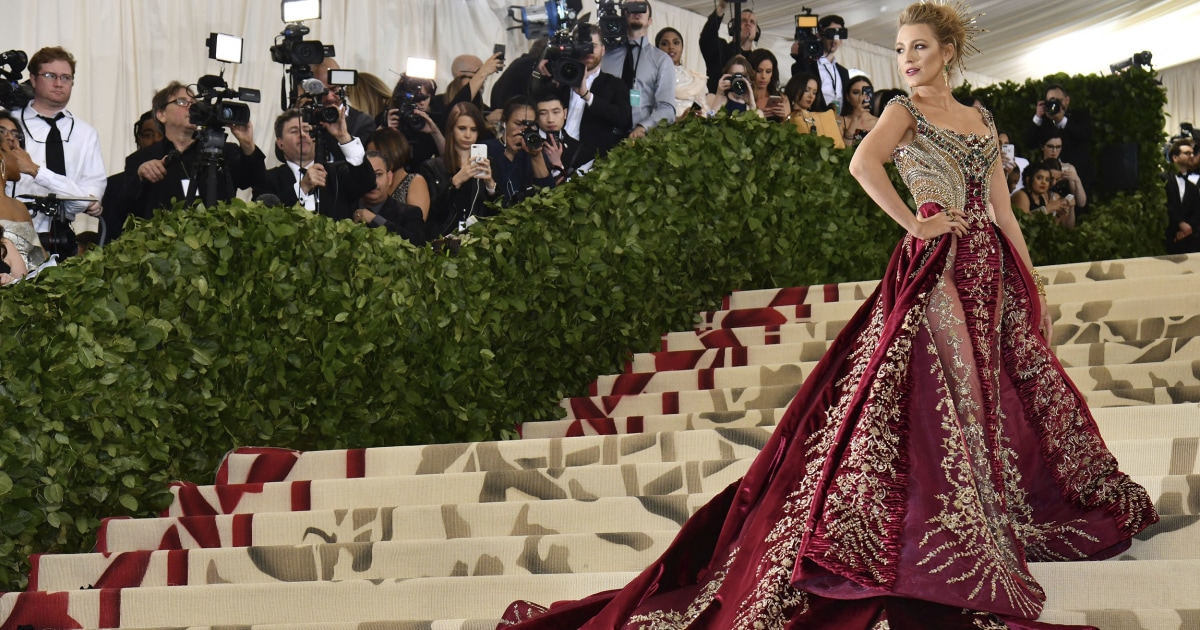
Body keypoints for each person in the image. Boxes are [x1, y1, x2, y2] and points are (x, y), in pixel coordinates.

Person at [500, 3, 1157, 628]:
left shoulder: (981, 120)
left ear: (949, 51)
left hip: (992, 268)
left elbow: (1004, 208)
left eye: (920, 48)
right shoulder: (902, 110)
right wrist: (915, 224)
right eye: (901, 50)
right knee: (953, 391)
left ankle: (990, 517)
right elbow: (862, 163)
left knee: (993, 390)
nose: (908, 60)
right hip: (938, 268)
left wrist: (1028, 280)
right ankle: (958, 530)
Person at [9, 46, 106, 258]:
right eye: (50, 75)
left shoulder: (85, 133)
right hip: (12, 233)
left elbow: (88, 198)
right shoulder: (10, 125)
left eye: (66, 77)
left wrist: (36, 171)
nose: (59, 83)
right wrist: (78, 197)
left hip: (62, 236)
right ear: (33, 79)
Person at [124, 81, 266, 219]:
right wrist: (141, 177)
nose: (190, 107)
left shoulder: (223, 150)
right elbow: (125, 207)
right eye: (182, 102)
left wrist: (247, 143)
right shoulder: (141, 159)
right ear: (161, 114)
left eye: (194, 102)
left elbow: (255, 180)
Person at [253, 108, 375, 222]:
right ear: (280, 143)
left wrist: (343, 137)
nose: (302, 135)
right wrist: (302, 187)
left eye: (307, 130)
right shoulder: (266, 179)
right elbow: (262, 215)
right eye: (294, 131)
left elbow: (367, 182)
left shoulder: (337, 172)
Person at [560, 24, 632, 173]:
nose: (588, 51)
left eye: (593, 46)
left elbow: (623, 118)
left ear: (603, 49)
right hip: (555, 154)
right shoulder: (560, 80)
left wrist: (587, 96)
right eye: (583, 45)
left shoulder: (614, 84)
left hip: (590, 162)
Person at [600, 0, 676, 139]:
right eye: (630, 8)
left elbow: (667, 108)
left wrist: (644, 127)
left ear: (650, 20)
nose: (636, 11)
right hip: (604, 136)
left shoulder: (661, 60)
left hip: (640, 140)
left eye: (641, 8)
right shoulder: (604, 55)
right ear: (623, 15)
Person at [423, 102, 496, 239]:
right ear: (451, 130)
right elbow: (434, 212)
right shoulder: (432, 167)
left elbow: (497, 212)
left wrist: (491, 186)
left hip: (479, 239)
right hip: (443, 239)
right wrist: (455, 182)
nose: (468, 135)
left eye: (473, 129)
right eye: (462, 128)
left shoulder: (488, 163)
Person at [100, 110, 162, 242]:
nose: (156, 139)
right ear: (139, 139)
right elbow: (108, 235)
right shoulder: (114, 184)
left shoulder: (184, 174)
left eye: (161, 134)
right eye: (148, 135)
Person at [1024, 83, 1094, 193]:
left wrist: (1062, 120)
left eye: (1059, 100)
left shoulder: (1079, 116)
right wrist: (1037, 117)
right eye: (1051, 100)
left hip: (1077, 177)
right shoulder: (1042, 122)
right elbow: (1028, 143)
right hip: (1048, 182)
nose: (1055, 104)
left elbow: (1084, 135)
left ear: (1067, 100)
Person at [485, 97, 554, 207]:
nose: (524, 129)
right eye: (518, 123)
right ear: (504, 122)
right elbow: (495, 198)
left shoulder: (534, 150)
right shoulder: (487, 149)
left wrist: (536, 156)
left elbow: (549, 195)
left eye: (530, 125)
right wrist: (509, 153)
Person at [0, 114, 47, 274]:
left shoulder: (19, 207)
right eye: (10, 150)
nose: (20, 153)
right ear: (1, 157)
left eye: (15, 136)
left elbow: (42, 260)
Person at [306, 58, 377, 160]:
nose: (329, 97)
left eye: (334, 89)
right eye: (323, 92)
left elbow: (359, 162)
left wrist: (342, 135)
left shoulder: (363, 122)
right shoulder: (306, 116)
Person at [351, 151, 425, 246]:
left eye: (378, 174)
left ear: (389, 178)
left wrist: (375, 220)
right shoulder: (344, 207)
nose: (373, 182)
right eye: (366, 175)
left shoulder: (410, 213)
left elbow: (418, 244)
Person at [790, 14, 851, 113]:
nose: (834, 39)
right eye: (830, 33)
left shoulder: (843, 72)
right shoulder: (808, 65)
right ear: (820, 35)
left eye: (839, 34)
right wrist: (800, 58)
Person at [367, 128, 431, 221]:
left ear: (391, 152)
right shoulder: (369, 183)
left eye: (375, 154)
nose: (371, 161)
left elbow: (416, 225)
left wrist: (375, 220)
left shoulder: (415, 181)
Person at [380, 74, 444, 166]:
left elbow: (448, 159)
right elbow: (370, 154)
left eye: (425, 97)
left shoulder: (434, 120)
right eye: (417, 98)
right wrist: (384, 129)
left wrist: (435, 132)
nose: (422, 102)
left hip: (424, 176)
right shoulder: (389, 117)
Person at [429, 53, 503, 131]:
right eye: (476, 74)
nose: (483, 79)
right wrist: (486, 120)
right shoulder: (437, 102)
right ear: (459, 74)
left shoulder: (483, 108)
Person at [698, 0, 758, 94]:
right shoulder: (721, 48)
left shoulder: (758, 58)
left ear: (757, 31)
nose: (748, 24)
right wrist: (721, 7)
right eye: (743, 21)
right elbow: (707, 38)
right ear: (733, 26)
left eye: (752, 22)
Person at [655, 27, 710, 118]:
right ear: (657, 49)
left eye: (676, 42)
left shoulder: (694, 78)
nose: (671, 47)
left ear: (682, 47)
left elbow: (706, 110)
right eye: (664, 43)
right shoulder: (652, 77)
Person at [784, 72, 844, 148]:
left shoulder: (822, 116)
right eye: (806, 90)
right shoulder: (786, 116)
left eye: (814, 92)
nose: (811, 95)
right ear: (794, 89)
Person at [1011, 161, 1073, 227]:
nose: (1044, 182)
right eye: (1039, 178)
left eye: (1047, 179)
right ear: (1028, 179)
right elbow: (1023, 223)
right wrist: (1049, 208)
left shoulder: (1041, 197)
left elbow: (1047, 227)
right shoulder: (1021, 195)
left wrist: (1058, 214)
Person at [1165, 140, 1200, 254]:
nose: (1191, 156)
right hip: (1166, 238)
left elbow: (1196, 212)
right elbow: (1165, 205)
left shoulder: (1193, 188)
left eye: (1192, 153)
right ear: (1175, 157)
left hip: (1187, 243)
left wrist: (1188, 228)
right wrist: (1180, 223)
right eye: (1187, 153)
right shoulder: (1163, 179)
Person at [1039, 131, 1087, 209]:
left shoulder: (1068, 169)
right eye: (1051, 147)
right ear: (1042, 147)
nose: (1054, 151)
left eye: (1058, 147)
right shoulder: (1037, 167)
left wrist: (1077, 180)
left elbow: (1081, 202)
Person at [748, 49, 790, 122]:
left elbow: (789, 127)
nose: (763, 76)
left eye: (768, 71)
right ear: (751, 71)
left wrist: (784, 118)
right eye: (759, 71)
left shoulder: (782, 98)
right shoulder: (744, 97)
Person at [838, 75, 877, 147]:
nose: (861, 97)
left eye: (866, 92)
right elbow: (845, 151)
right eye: (856, 92)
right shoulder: (840, 121)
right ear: (847, 97)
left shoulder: (880, 122)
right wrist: (855, 118)